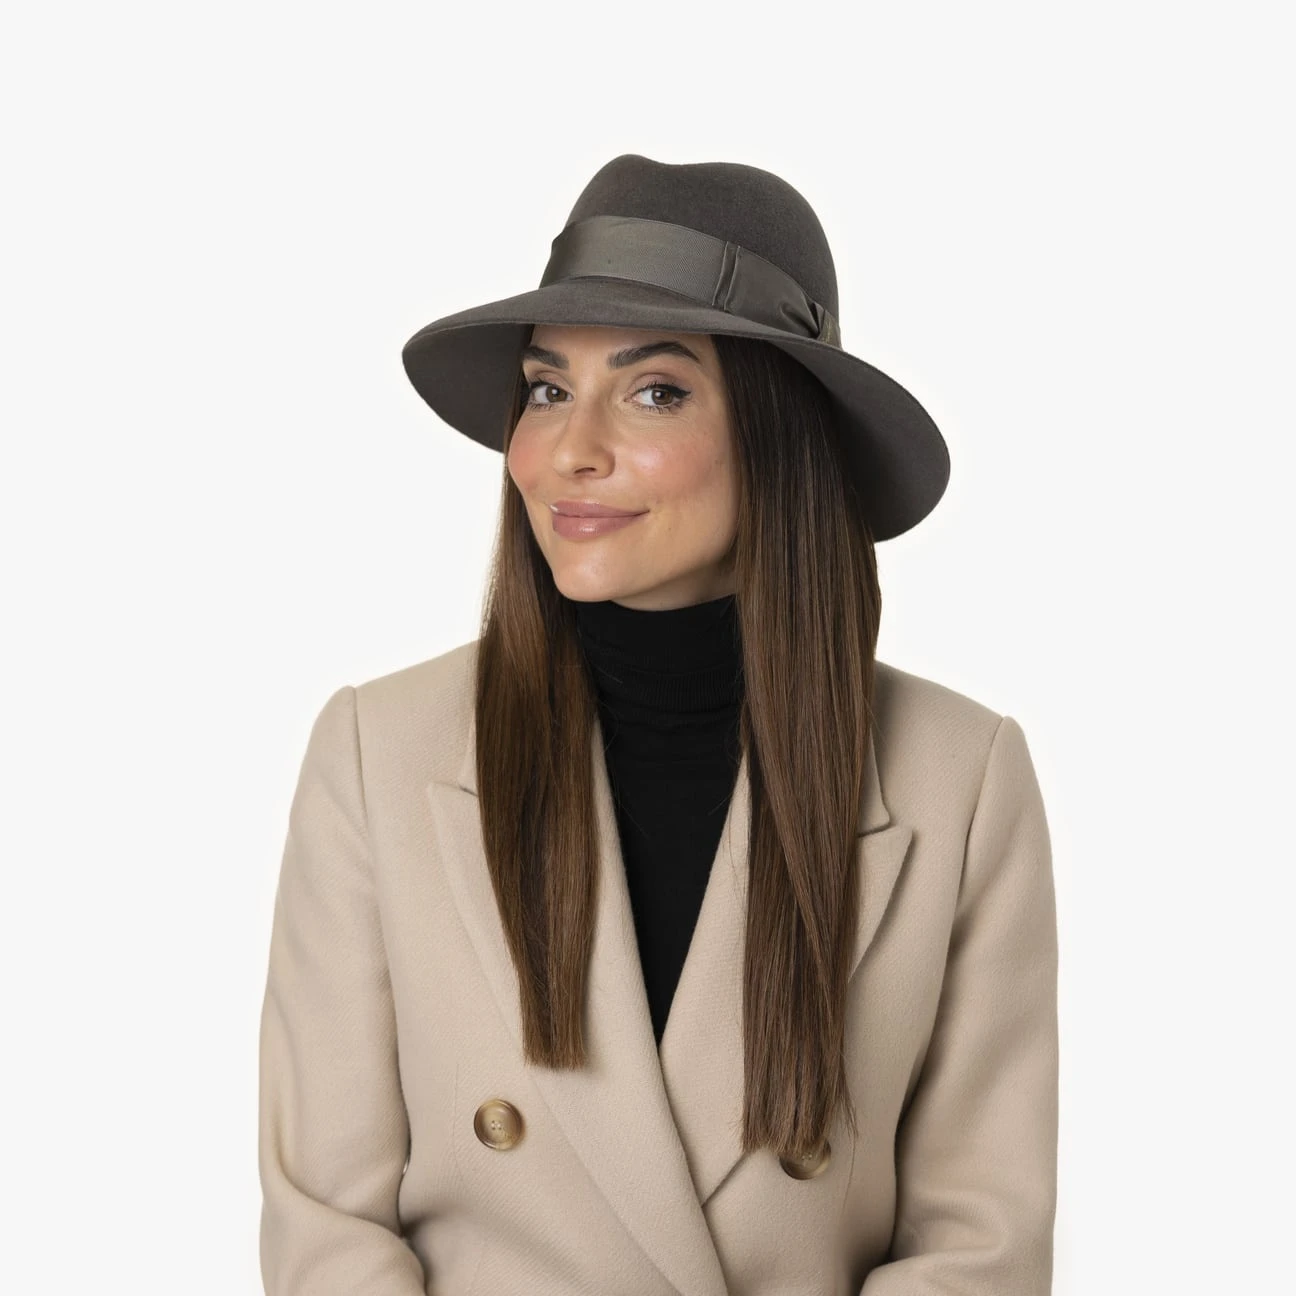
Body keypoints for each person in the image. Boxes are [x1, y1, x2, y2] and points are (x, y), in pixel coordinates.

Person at [257, 154, 1059, 1296]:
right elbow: (328, 1230)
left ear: (778, 433)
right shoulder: (375, 753)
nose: (569, 451)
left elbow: (979, 1245)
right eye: (546, 389)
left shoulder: (961, 777)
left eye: (655, 392)